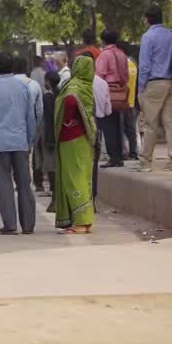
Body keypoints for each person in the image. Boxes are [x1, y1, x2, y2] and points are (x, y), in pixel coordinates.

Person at [0, 53, 38, 235]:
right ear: (12, 67)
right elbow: (30, 117)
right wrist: (30, 140)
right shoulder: (23, 87)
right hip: (20, 141)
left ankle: (10, 225)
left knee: (3, 184)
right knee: (24, 183)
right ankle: (28, 225)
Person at [55, 56, 97, 233]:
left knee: (73, 178)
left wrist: (66, 121)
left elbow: (70, 101)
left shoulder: (74, 86)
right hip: (84, 138)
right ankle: (84, 220)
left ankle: (81, 222)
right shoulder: (87, 85)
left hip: (71, 138)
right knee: (83, 176)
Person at [136, 6, 172, 173]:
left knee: (150, 124)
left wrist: (141, 88)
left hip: (154, 83)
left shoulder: (148, 36)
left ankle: (145, 162)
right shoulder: (170, 34)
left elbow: (144, 66)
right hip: (169, 82)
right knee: (169, 122)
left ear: (147, 19)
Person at [95, 29, 130, 168]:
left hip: (108, 92)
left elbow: (99, 76)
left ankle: (113, 156)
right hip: (120, 93)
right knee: (117, 125)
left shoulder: (104, 55)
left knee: (107, 125)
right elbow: (126, 75)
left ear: (103, 40)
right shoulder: (122, 54)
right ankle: (119, 156)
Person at [41, 71, 60, 212]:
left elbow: (43, 117)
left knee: (51, 168)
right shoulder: (62, 94)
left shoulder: (47, 97)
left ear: (47, 82)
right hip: (61, 135)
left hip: (49, 136)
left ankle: (55, 199)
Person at [91, 62, 111, 194]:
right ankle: (94, 195)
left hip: (83, 127)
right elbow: (108, 110)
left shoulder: (75, 84)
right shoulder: (103, 83)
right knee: (94, 163)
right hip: (99, 123)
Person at [122, 48, 140, 160]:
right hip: (132, 101)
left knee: (122, 129)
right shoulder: (133, 65)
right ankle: (133, 152)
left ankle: (125, 152)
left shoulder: (124, 65)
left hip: (123, 101)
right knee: (132, 129)